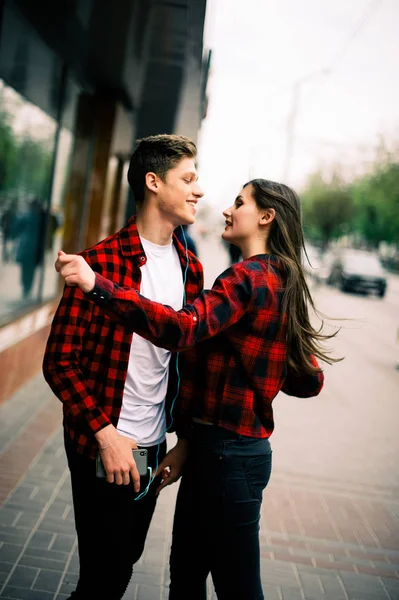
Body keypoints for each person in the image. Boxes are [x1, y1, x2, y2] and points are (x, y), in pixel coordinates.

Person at [56, 178, 338, 600]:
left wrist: (100, 287)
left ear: (266, 217)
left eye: (239, 203)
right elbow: (309, 380)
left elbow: (181, 328)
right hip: (217, 452)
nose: (227, 209)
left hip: (230, 459)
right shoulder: (282, 279)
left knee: (235, 588)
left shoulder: (248, 278)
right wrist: (253, 372)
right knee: (186, 579)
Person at [43, 134, 204, 600]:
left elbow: (186, 361)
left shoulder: (191, 268)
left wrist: (184, 442)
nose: (199, 190)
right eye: (188, 179)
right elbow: (59, 361)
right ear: (153, 182)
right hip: (100, 445)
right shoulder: (100, 262)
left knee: (124, 562)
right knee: (104, 577)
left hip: (153, 449)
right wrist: (105, 434)